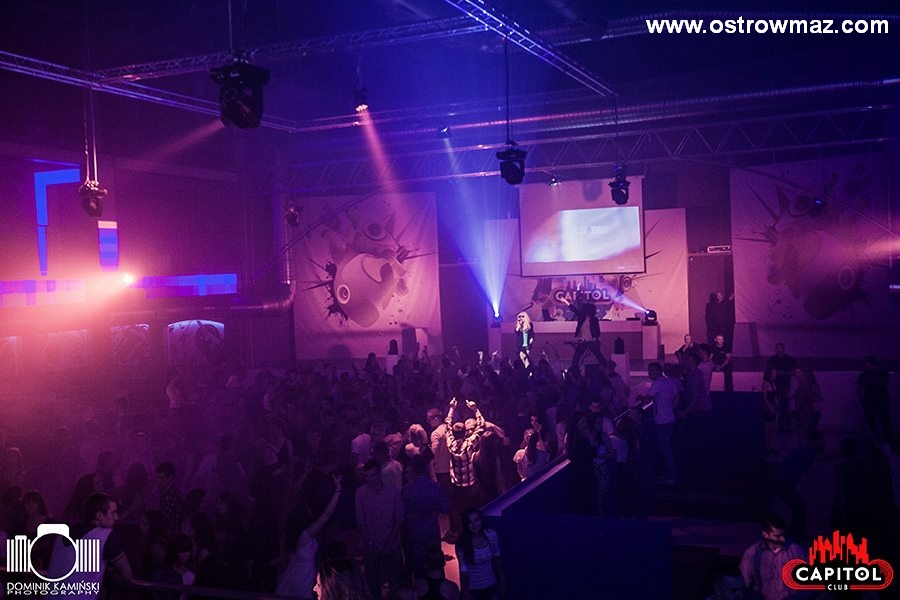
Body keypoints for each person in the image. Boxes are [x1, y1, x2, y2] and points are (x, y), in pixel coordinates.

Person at [46, 493, 133, 599]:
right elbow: (127, 574)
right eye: (113, 512)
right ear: (99, 515)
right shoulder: (105, 535)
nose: (116, 517)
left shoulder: (61, 534)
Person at [276, 474, 343, 599]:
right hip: (304, 576)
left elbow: (283, 561)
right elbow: (327, 515)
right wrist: (337, 491)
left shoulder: (287, 535)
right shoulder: (306, 535)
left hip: (290, 575)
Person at [356, 459, 405, 598]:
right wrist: (370, 541)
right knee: (373, 582)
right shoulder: (361, 492)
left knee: (395, 581)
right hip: (371, 545)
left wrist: (388, 542)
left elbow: (399, 520)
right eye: (367, 476)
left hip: (390, 544)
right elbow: (361, 521)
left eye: (372, 475)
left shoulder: (393, 491)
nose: (370, 479)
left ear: (379, 474)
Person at [444, 398, 485, 541]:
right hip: (470, 484)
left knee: (459, 511)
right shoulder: (469, 443)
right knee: (471, 510)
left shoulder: (450, 443)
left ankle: (462, 535)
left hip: (456, 484)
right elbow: (482, 426)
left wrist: (451, 408)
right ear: (465, 432)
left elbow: (447, 425)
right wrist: (475, 409)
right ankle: (474, 535)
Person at [739, 512, 804, 600]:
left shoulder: (796, 551)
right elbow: (743, 584)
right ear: (765, 534)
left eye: (784, 535)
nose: (783, 539)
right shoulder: (752, 554)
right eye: (778, 536)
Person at [455, 508, 505, 600]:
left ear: (481, 519)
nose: (474, 524)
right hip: (473, 589)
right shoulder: (462, 543)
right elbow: (463, 570)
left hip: (491, 584)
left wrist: (502, 580)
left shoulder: (491, 535)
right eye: (470, 522)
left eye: (476, 520)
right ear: (465, 524)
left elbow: (497, 558)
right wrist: (465, 593)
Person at [857, 355, 892, 442]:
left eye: (865, 363)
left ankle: (874, 440)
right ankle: (887, 441)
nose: (864, 365)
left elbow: (859, 389)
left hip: (869, 401)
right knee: (885, 420)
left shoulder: (864, 374)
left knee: (871, 422)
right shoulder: (884, 373)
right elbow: (887, 385)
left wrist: (861, 401)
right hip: (882, 400)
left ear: (868, 363)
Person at [765, 343, 797, 431]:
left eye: (780, 348)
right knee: (778, 404)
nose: (779, 350)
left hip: (784, 386)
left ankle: (783, 423)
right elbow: (768, 371)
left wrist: (782, 373)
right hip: (774, 386)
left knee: (783, 404)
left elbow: (793, 370)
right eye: (777, 348)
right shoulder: (772, 359)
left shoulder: (789, 359)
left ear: (783, 349)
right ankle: (782, 423)